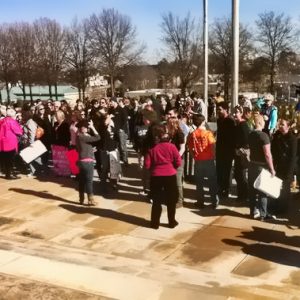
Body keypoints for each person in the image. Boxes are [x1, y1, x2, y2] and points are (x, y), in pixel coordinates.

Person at [145, 124, 181, 229]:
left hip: (156, 176)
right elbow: (178, 161)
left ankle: (155, 223)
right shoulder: (172, 146)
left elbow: (147, 165)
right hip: (170, 175)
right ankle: (171, 222)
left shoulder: (151, 148)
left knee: (156, 201)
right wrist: (172, 167)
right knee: (171, 200)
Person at [248, 114, 276, 221]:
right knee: (263, 191)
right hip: (262, 166)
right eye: (263, 122)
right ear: (260, 123)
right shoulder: (264, 136)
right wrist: (272, 169)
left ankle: (253, 211)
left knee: (252, 190)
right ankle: (263, 214)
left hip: (252, 165)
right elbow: (267, 154)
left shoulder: (250, 135)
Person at [187, 114, 219, 208]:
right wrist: (214, 157)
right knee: (212, 182)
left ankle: (200, 201)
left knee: (199, 183)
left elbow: (190, 146)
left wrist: (194, 156)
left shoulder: (192, 134)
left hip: (198, 160)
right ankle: (214, 201)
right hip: (209, 160)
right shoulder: (208, 134)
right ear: (203, 122)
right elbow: (213, 146)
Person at [271, 118, 297, 214]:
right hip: (278, 166)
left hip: (287, 168)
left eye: (282, 124)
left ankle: (283, 209)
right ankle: (277, 205)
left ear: (288, 126)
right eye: (279, 124)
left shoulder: (292, 139)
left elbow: (293, 157)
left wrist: (290, 173)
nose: (280, 126)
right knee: (278, 187)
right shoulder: (277, 136)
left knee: (285, 189)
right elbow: (273, 150)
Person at [76, 119, 100, 206]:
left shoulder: (78, 137)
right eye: (85, 127)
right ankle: (90, 200)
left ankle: (81, 199)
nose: (86, 128)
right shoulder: (84, 137)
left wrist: (90, 150)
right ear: (82, 128)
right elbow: (98, 137)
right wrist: (93, 127)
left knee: (82, 181)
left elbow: (80, 149)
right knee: (89, 181)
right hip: (88, 162)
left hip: (81, 161)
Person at [215, 102, 235, 199]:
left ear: (226, 109)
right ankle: (220, 187)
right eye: (217, 109)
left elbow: (232, 138)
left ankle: (227, 189)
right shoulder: (219, 120)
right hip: (219, 148)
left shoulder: (230, 121)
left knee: (227, 170)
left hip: (228, 149)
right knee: (219, 169)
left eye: (220, 109)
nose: (218, 111)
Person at [233, 105, 251, 202]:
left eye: (236, 112)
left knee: (241, 174)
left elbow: (247, 140)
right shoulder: (238, 124)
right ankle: (241, 195)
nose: (234, 114)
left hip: (242, 153)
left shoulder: (243, 125)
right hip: (237, 153)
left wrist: (240, 149)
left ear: (242, 113)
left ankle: (244, 195)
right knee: (238, 174)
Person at [0, 108, 23, 179]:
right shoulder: (12, 121)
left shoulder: (2, 120)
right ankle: (9, 175)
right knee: (10, 159)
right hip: (10, 143)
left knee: (4, 159)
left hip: (2, 142)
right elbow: (18, 131)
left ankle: (7, 173)